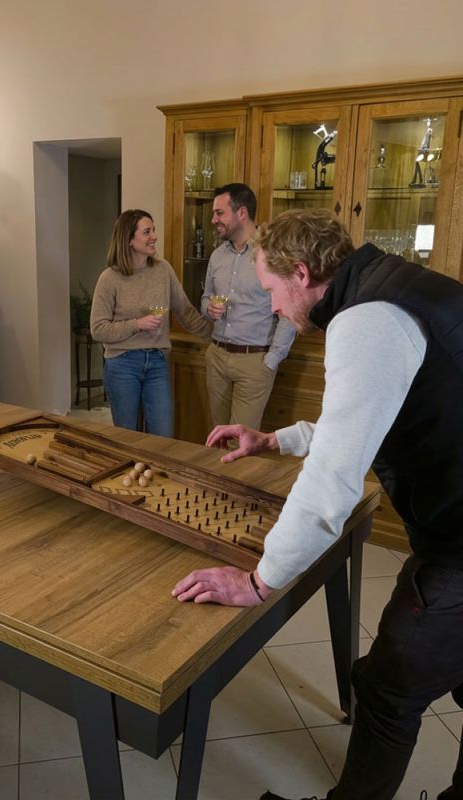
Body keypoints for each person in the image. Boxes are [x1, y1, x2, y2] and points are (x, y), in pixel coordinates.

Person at [173, 208, 463, 800]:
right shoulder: (391, 287)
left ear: (301, 274)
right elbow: (360, 418)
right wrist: (275, 439)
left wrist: (258, 582)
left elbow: (333, 480)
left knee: (387, 688)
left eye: (273, 292)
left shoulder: (369, 322)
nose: (274, 308)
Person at [90, 209, 212, 437]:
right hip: (122, 364)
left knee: (162, 434)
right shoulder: (109, 278)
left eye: (153, 230)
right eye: (147, 232)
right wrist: (137, 324)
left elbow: (185, 311)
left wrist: (215, 336)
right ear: (128, 240)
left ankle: (155, 474)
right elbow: (98, 329)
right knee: (127, 436)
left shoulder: (162, 269)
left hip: (157, 362)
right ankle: (130, 474)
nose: (154, 236)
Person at [200, 183, 296, 429]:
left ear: (242, 213)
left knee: (240, 444)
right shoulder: (217, 256)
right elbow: (205, 297)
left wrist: (273, 358)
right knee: (217, 437)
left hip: (255, 360)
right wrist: (208, 307)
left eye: (219, 213)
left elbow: (290, 311)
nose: (213, 220)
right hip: (217, 356)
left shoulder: (273, 254)